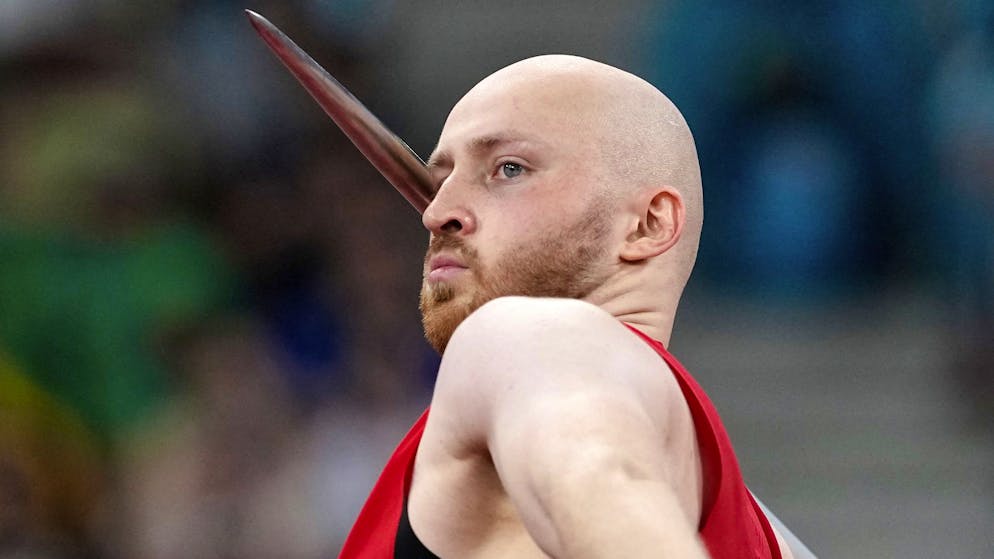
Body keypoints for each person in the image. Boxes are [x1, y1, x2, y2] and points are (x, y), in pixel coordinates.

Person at [339, 55, 793, 559]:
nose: (436, 212)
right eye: (441, 180)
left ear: (648, 224)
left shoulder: (525, 337)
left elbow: (595, 468)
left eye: (509, 168)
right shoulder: (761, 536)